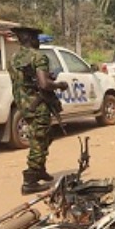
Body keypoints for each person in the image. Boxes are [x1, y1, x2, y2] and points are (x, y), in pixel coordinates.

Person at [8, 26, 69, 194]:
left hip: (24, 105)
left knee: (46, 135)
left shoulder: (13, 58)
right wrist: (59, 84)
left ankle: (40, 169)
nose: (38, 40)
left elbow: (24, 81)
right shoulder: (38, 56)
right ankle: (30, 180)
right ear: (29, 38)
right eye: (36, 37)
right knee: (39, 140)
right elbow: (44, 84)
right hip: (38, 105)